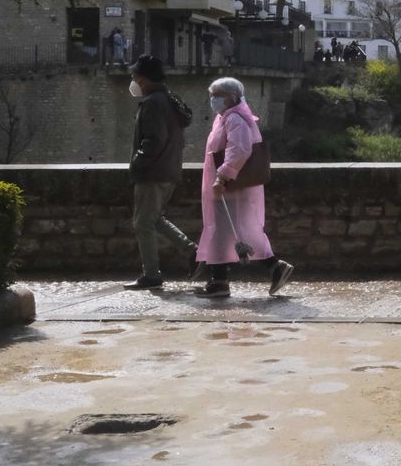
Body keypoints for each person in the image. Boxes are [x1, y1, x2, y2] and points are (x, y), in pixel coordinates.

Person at [193, 76, 295, 299]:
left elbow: (238, 150)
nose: (212, 100)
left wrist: (222, 177)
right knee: (231, 230)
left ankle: (267, 267)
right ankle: (221, 280)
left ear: (229, 98)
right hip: (230, 185)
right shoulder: (227, 118)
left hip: (232, 187)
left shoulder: (235, 119)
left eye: (216, 96)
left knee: (232, 229)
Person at [124, 55, 199, 290]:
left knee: (142, 223)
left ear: (144, 79)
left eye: (135, 77)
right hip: (168, 169)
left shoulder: (153, 103)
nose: (133, 81)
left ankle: (152, 275)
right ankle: (194, 252)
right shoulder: (168, 100)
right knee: (154, 219)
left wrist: (137, 163)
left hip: (153, 172)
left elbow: (154, 140)